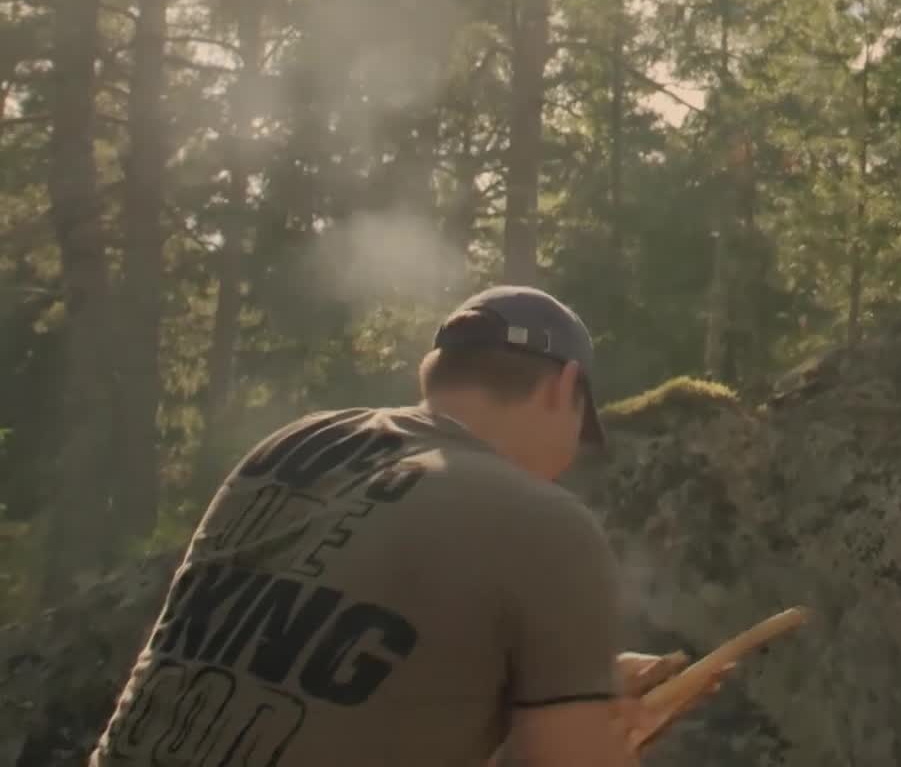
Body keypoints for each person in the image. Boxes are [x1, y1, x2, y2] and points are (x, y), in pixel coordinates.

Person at [89, 285, 720, 767]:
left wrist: (571, 684)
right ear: (565, 387)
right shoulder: (546, 521)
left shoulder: (297, 444)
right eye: (579, 436)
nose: (565, 463)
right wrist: (611, 733)